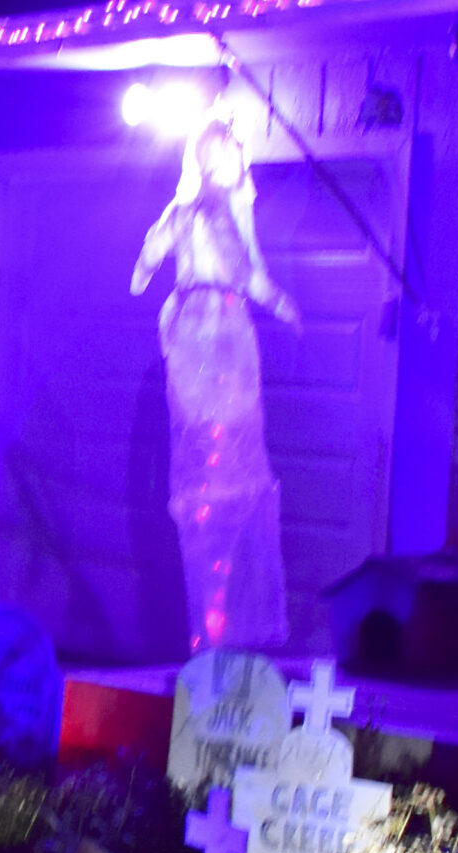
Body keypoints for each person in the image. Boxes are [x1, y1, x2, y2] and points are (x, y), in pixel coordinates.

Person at [132, 99, 301, 655]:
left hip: (198, 338)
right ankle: (222, 621)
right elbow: (246, 272)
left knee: (213, 470)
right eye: (232, 154)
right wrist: (281, 305)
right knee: (221, 466)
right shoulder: (209, 212)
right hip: (215, 341)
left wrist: (149, 275)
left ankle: (217, 617)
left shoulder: (185, 213)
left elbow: (146, 263)